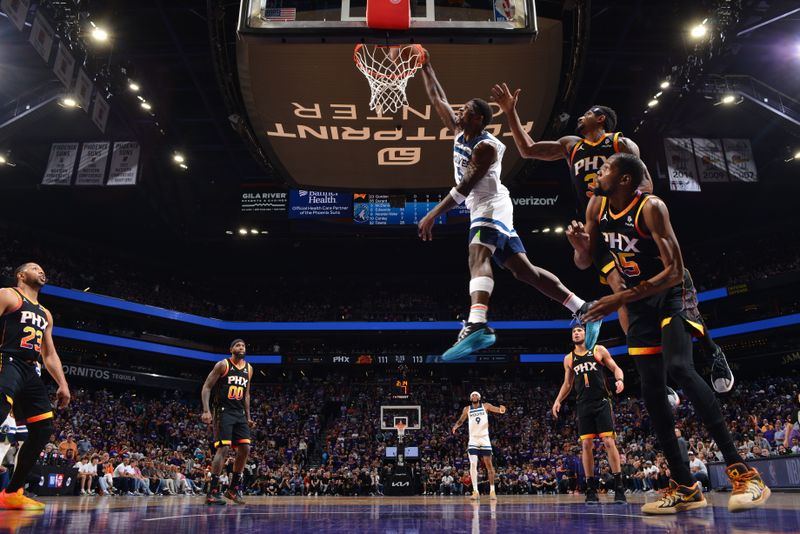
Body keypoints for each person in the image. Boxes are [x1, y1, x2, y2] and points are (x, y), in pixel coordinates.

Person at [490, 85, 734, 393]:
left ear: (602, 119)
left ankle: (712, 351)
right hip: (600, 227)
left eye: (587, 113)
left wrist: (627, 215)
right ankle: (653, 372)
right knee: (620, 292)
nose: (580, 116)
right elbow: (527, 150)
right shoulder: (571, 145)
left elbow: (646, 184)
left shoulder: (621, 143)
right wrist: (510, 111)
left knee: (677, 290)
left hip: (629, 223)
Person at [566, 153, 770, 514]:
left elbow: (675, 271)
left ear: (626, 179)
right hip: (639, 300)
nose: (599, 172)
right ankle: (686, 487)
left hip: (671, 292)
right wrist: (582, 248)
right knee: (651, 390)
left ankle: (745, 474)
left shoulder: (651, 208)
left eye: (607, 168)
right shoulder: (596, 207)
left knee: (679, 367)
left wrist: (620, 298)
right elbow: (590, 261)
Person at [416, 51, 603, 361]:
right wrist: (426, 64)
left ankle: (477, 324)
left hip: (491, 205)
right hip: (483, 207)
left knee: (478, 252)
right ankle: (583, 308)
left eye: (464, 110)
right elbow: (438, 98)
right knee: (524, 271)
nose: (457, 112)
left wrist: (433, 214)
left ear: (477, 118)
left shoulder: (487, 146)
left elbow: (465, 187)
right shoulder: (461, 129)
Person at [0, 263, 71, 510]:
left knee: (43, 428)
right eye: (34, 267)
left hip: (30, 369)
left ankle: (11, 492)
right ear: (21, 275)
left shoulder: (45, 313)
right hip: (6, 358)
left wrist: (62, 383)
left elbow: (49, 354)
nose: (41, 270)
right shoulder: (7, 294)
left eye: (43, 268)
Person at [551, 325, 626, 504]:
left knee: (608, 442)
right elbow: (567, 384)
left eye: (579, 331)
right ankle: (591, 489)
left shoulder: (598, 350)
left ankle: (619, 487)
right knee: (586, 445)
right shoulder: (569, 358)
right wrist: (558, 400)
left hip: (601, 402)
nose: (576, 333)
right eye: (574, 331)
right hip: (583, 405)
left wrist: (620, 380)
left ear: (586, 334)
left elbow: (616, 368)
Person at [201, 339, 255, 505]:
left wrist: (248, 416)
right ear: (231, 349)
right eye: (238, 345)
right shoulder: (223, 365)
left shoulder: (249, 368)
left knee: (245, 448)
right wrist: (206, 410)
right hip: (223, 411)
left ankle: (232, 489)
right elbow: (207, 387)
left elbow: (246, 394)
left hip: (239, 414)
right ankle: (213, 491)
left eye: (244, 345)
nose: (241, 347)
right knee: (223, 448)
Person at [451, 391, 506, 500]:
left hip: (484, 438)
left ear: (479, 397)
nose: (474, 396)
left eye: (476, 395)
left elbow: (497, 409)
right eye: (472, 395)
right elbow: (461, 420)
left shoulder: (486, 406)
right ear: (471, 398)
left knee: (489, 465)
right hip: (473, 440)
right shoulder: (467, 409)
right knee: (472, 464)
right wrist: (455, 426)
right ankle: (475, 491)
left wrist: (501, 410)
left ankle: (492, 491)